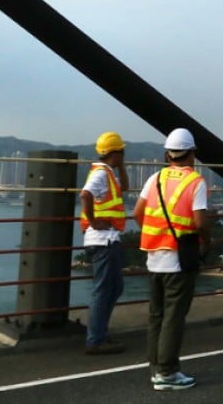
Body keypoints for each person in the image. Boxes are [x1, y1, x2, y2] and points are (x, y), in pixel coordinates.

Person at [133, 128, 211, 391]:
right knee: (174, 317)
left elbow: (137, 214)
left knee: (156, 315)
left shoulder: (155, 178)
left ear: (168, 154)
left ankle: (156, 367)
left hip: (153, 257)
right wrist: (206, 240)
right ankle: (167, 373)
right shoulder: (196, 182)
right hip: (179, 259)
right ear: (192, 154)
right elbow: (200, 222)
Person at [79, 131, 128, 355]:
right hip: (102, 239)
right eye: (122, 151)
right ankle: (95, 339)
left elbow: (124, 188)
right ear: (116, 152)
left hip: (108, 238)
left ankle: (99, 334)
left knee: (115, 287)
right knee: (103, 290)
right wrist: (93, 220)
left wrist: (120, 166)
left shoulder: (108, 173)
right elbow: (85, 195)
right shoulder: (100, 174)